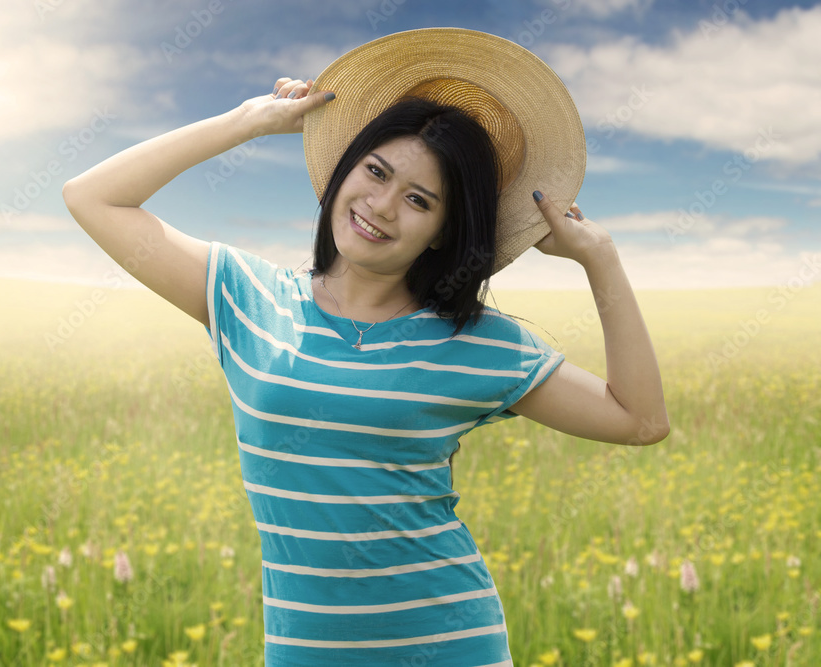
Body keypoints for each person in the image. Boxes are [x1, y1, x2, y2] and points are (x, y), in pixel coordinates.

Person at [63, 29, 669, 667]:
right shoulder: (247, 298)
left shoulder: (477, 342)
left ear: (442, 233)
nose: (380, 206)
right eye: (375, 172)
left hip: (452, 646)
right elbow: (93, 196)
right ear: (344, 169)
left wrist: (600, 260)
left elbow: (640, 419)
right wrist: (243, 123)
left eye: (418, 200)